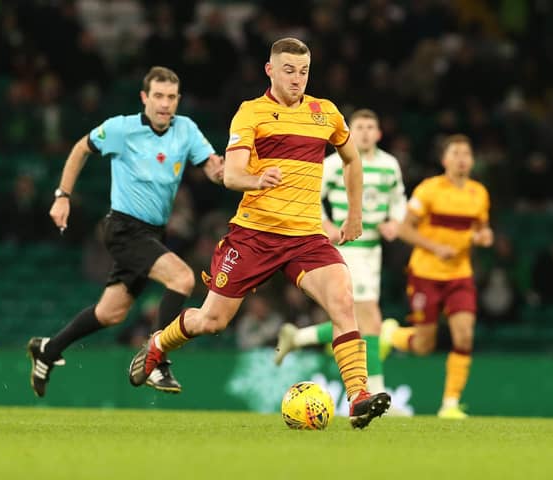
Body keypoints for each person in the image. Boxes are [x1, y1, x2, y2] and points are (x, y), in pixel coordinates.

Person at [128, 38, 391, 429]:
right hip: (254, 236)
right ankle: (158, 345)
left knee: (342, 298)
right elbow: (232, 175)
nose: (297, 79)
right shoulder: (251, 113)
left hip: (306, 237)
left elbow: (352, 160)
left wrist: (355, 215)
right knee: (211, 321)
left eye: (303, 71)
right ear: (270, 70)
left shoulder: (326, 113)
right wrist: (257, 177)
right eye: (288, 70)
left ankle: (358, 397)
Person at [27, 66, 224, 397]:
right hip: (123, 228)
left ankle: (47, 349)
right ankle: (157, 362)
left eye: (171, 97)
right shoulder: (122, 129)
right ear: (144, 98)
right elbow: (80, 149)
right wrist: (62, 197)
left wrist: (224, 172)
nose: (165, 104)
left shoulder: (186, 130)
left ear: (178, 100)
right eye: (158, 96)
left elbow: (212, 169)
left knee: (110, 313)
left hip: (154, 233)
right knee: (182, 278)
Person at [273, 109, 407, 400]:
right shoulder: (334, 164)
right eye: (359, 127)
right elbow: (310, 197)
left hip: (373, 250)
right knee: (370, 318)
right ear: (349, 132)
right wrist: (326, 223)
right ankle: (376, 391)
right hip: (346, 248)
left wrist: (395, 221)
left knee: (360, 320)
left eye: (371, 127)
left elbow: (399, 200)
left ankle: (299, 337)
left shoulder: (389, 165)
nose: (365, 132)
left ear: (379, 133)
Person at [380, 134, 493, 419]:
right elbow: (404, 229)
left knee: (464, 337)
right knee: (423, 346)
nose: (462, 158)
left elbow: (482, 229)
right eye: (455, 153)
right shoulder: (429, 190)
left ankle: (450, 404)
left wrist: (483, 237)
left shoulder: (479, 193)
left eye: (466, 153)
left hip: (460, 275)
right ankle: (391, 335)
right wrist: (435, 247)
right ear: (445, 160)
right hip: (425, 274)